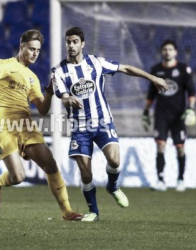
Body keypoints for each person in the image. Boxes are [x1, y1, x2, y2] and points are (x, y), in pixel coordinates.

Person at [52, 27, 168, 221]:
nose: (71, 45)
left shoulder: (96, 63)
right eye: (68, 42)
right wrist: (68, 99)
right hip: (80, 127)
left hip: (103, 122)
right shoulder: (59, 71)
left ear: (82, 44)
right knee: (86, 173)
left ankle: (112, 186)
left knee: (114, 160)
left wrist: (153, 77)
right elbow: (62, 96)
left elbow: (125, 68)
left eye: (74, 42)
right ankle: (94, 212)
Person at [0, 29, 82, 220]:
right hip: (0, 125)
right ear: (22, 46)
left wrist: (49, 93)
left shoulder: (32, 78)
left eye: (38, 50)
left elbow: (42, 108)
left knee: (50, 164)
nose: (34, 53)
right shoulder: (3, 65)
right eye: (31, 49)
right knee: (18, 177)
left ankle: (67, 212)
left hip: (24, 125)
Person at [142, 39, 196, 192]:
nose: (167, 52)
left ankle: (180, 180)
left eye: (170, 49)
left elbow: (191, 93)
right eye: (165, 49)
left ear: (175, 52)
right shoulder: (156, 70)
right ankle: (160, 180)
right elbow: (151, 94)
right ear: (162, 52)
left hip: (179, 116)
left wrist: (191, 109)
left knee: (180, 148)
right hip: (161, 115)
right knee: (160, 146)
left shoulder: (183, 69)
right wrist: (146, 111)